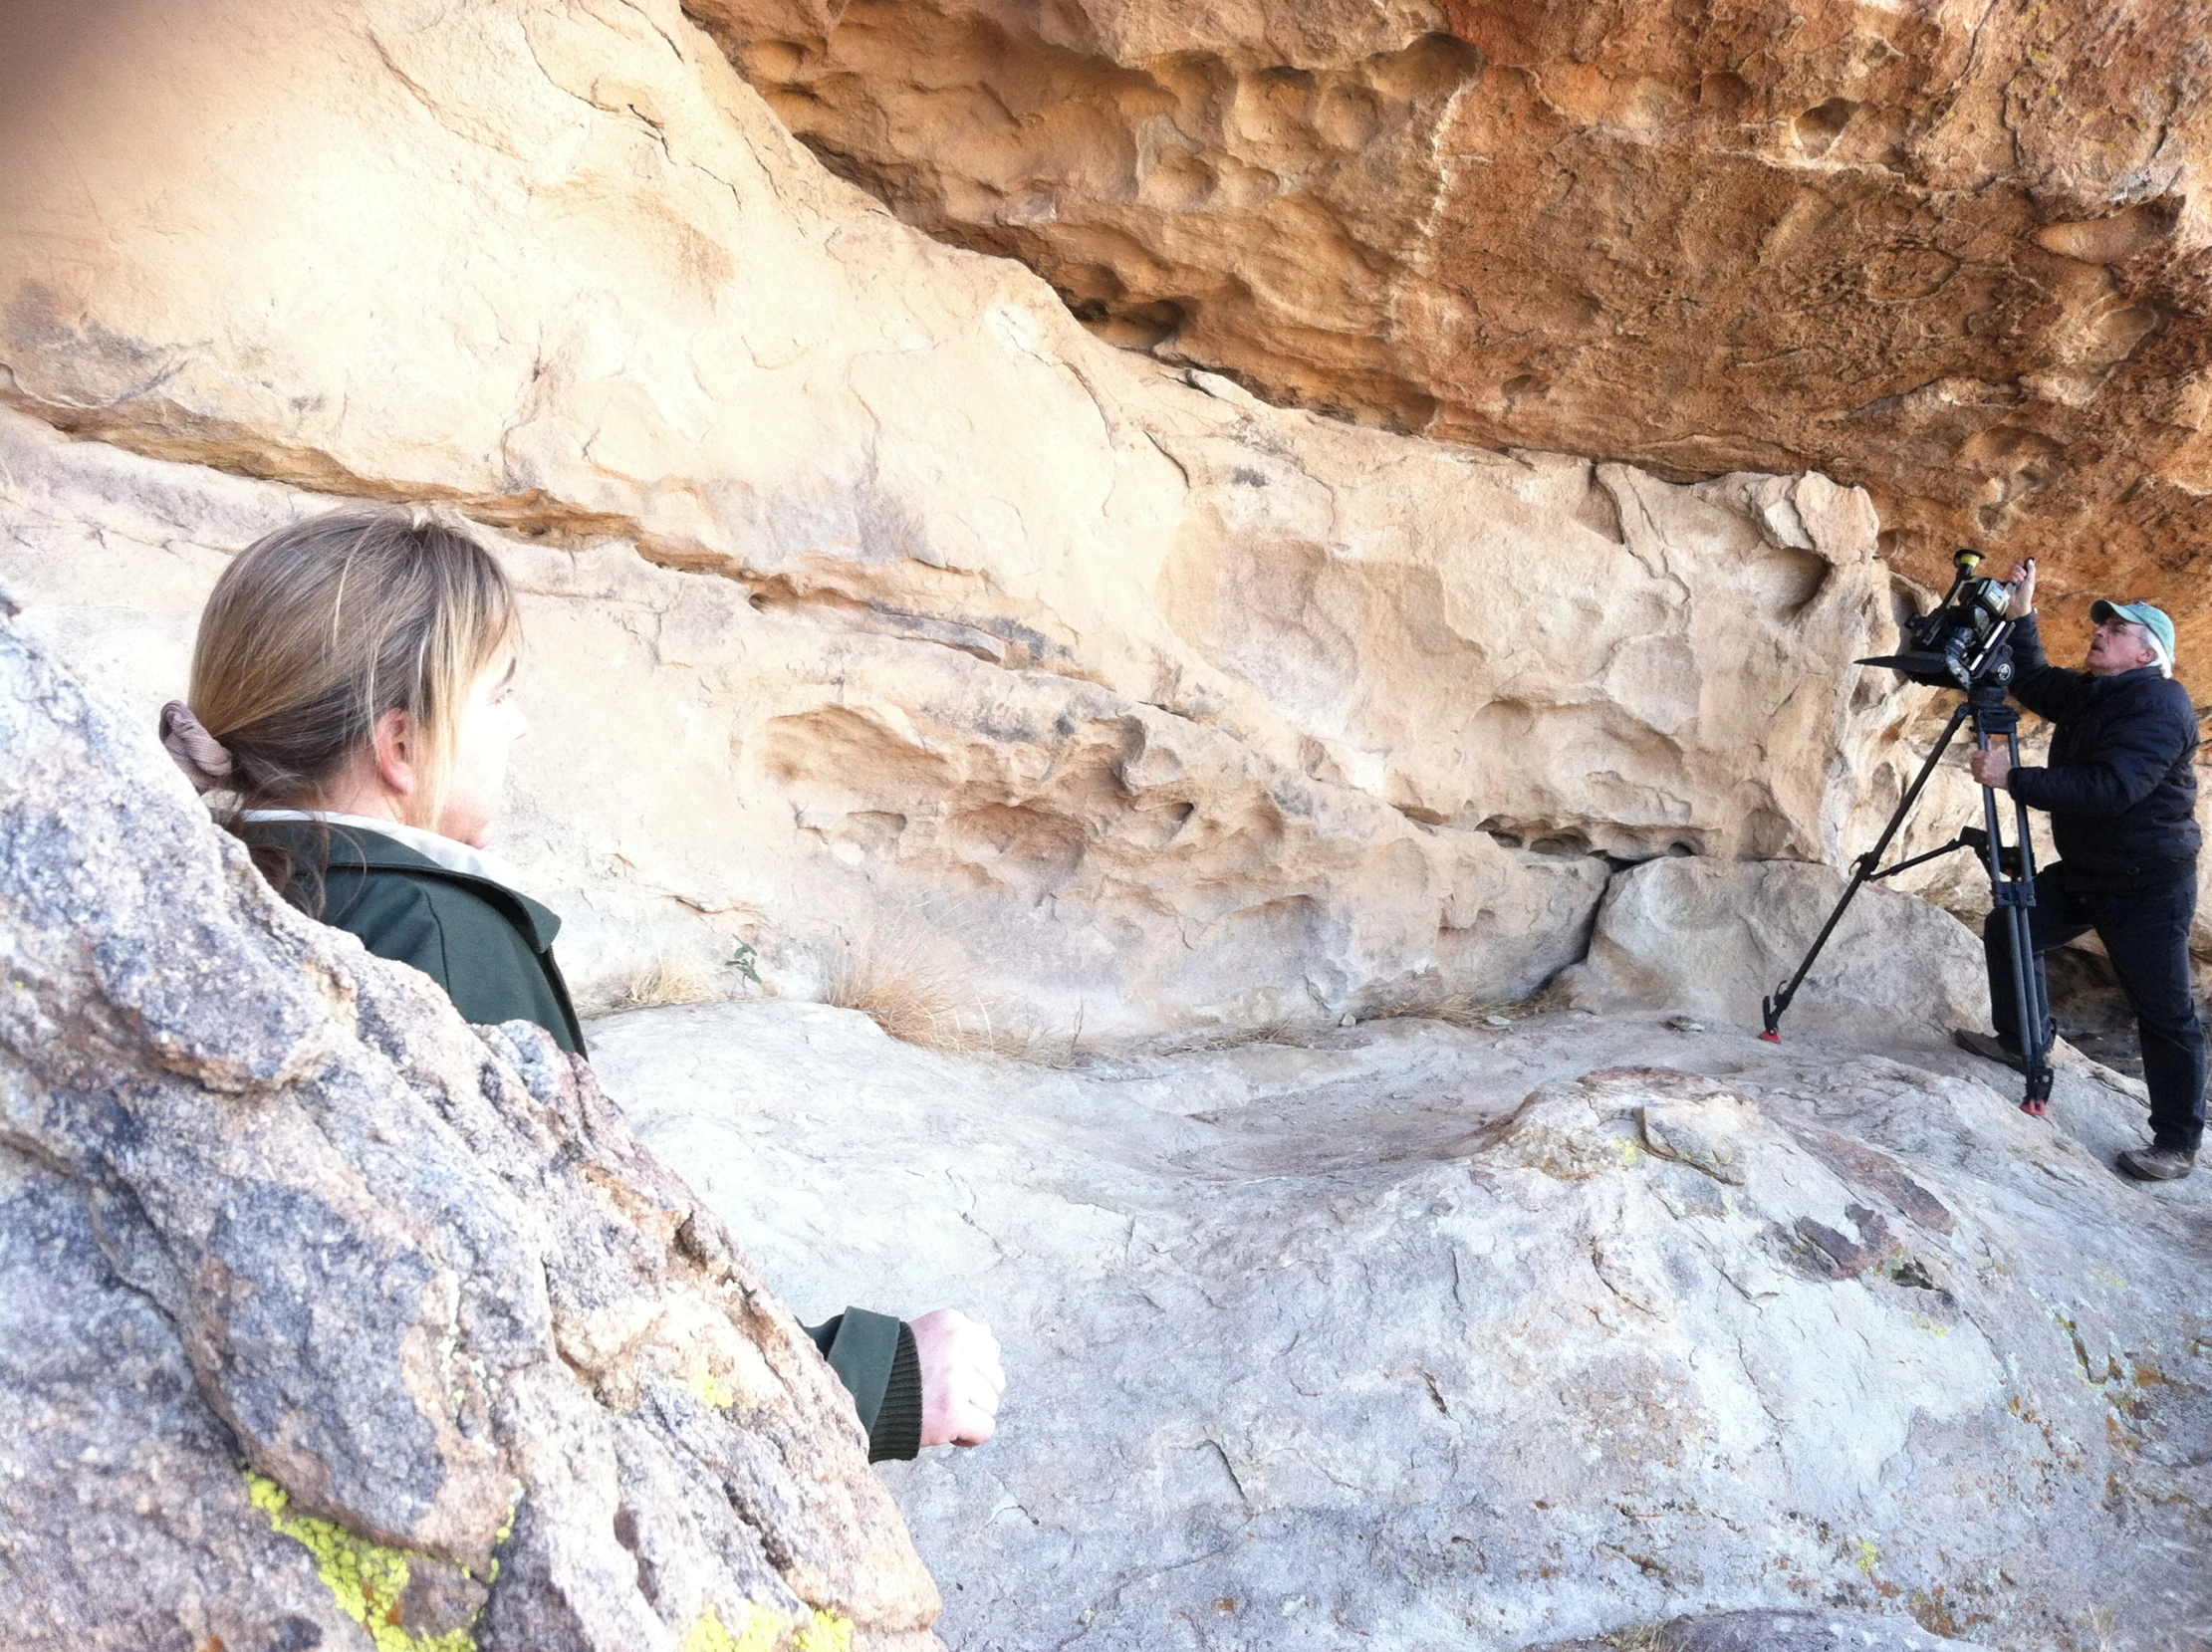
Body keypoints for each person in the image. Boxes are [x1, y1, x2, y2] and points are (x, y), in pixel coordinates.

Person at [158, 507, 1006, 1455]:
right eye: (497, 695)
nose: (517, 725)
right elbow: (574, 1313)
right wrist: (873, 1380)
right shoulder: (438, 942)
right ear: (401, 747)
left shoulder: (235, 883)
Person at [1952, 557, 2205, 1182]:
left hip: (2148, 881)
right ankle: (2021, 1042)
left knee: (2164, 1009)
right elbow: (2034, 681)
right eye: (2104, 626)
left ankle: (2176, 1144)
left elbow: (2112, 788)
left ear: (2147, 655)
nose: (2100, 632)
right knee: (2010, 926)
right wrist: (2023, 612)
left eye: (2116, 631)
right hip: (2093, 868)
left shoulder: (2161, 705)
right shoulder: (2100, 691)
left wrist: (2015, 778)